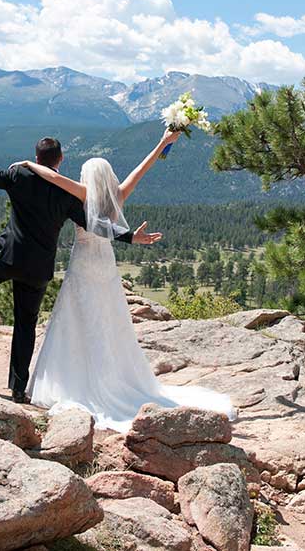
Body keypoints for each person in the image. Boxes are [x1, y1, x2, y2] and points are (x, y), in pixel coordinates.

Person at [14, 132, 236, 431]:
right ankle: (113, 374)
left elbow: (52, 178)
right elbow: (142, 169)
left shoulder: (82, 194)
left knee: (76, 319)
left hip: (82, 266)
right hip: (105, 267)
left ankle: (75, 378)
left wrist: (29, 162)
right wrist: (162, 143)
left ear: (87, 177)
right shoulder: (118, 194)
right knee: (109, 319)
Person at [0, 137, 162, 404]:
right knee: (25, 325)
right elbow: (94, 225)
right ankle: (18, 389)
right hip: (38, 267)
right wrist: (130, 237)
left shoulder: (19, 174)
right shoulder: (69, 195)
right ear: (60, 160)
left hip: (6, 256)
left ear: (36, 158)